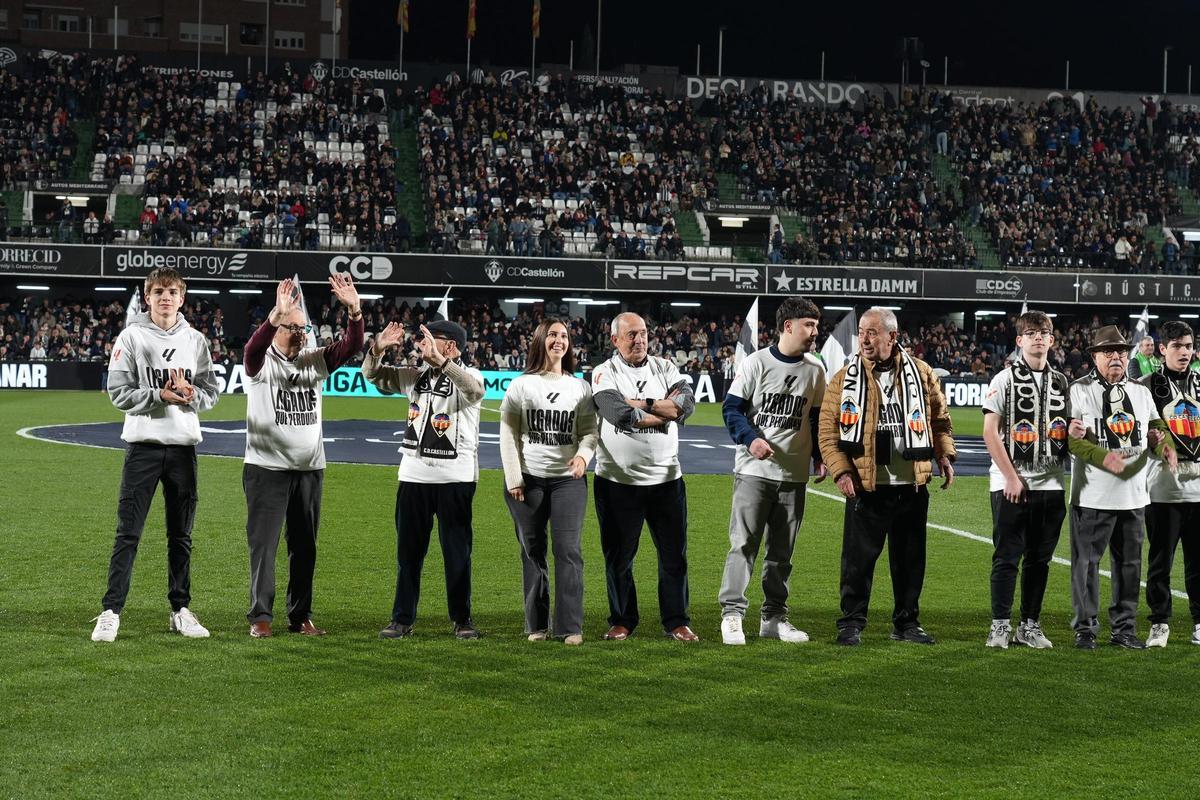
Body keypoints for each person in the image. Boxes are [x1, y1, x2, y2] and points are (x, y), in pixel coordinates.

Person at [90, 267, 220, 643]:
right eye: (159, 291)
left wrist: (191, 393)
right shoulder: (131, 336)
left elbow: (212, 393)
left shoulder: (195, 340)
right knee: (128, 533)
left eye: (172, 292)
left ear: (182, 298)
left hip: (183, 449)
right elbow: (118, 392)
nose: (166, 297)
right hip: (143, 447)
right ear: (147, 297)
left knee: (181, 536)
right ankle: (111, 612)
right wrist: (159, 395)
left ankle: (180, 610)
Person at [818, 307, 956, 647]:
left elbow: (940, 421)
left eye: (872, 332)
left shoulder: (921, 372)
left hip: (911, 485)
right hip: (867, 486)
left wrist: (944, 455)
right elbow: (827, 433)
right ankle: (851, 623)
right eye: (861, 332)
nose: (864, 339)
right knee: (857, 562)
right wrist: (841, 471)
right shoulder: (844, 378)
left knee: (910, 562)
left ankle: (907, 623)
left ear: (892, 336)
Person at [241, 275, 364, 638]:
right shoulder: (261, 362)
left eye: (303, 327)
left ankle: (300, 615)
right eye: (291, 327)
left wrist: (355, 311)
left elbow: (352, 346)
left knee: (305, 547)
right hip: (267, 468)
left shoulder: (315, 360)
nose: (299, 333)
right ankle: (261, 616)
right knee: (264, 546)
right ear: (277, 329)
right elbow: (251, 349)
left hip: (309, 469)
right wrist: (275, 316)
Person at [363, 317, 485, 640]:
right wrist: (377, 349)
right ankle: (402, 619)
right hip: (413, 476)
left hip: (455, 479)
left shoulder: (471, 375)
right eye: (421, 338)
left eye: (432, 338)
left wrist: (442, 362)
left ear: (452, 346)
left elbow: (474, 391)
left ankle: (462, 619)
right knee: (408, 554)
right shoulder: (414, 376)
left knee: (457, 554)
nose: (421, 343)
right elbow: (371, 375)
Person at [718, 296, 828, 646]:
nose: (815, 331)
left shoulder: (816, 370)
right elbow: (732, 410)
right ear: (788, 326)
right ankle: (732, 614)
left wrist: (820, 456)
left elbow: (816, 419)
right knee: (743, 545)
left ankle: (774, 618)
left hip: (794, 476)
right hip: (754, 471)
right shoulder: (757, 363)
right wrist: (751, 439)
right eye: (809, 325)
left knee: (782, 554)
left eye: (816, 325)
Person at [591, 312, 698, 642]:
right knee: (619, 559)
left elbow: (685, 406)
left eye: (643, 334)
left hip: (667, 480)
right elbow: (618, 414)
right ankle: (622, 620)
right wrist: (663, 412)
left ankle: (676, 620)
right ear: (615, 340)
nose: (639, 340)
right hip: (617, 482)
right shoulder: (603, 372)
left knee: (674, 556)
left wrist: (644, 403)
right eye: (631, 335)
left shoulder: (665, 367)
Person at [500, 318, 598, 645]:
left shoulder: (580, 387)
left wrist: (583, 457)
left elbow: (589, 432)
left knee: (568, 550)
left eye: (564, 335)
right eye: (553, 334)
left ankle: (570, 626)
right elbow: (508, 435)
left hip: (567, 481)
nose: (559, 340)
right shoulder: (521, 385)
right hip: (527, 480)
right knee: (533, 551)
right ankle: (537, 625)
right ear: (541, 339)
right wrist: (514, 478)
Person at [1066, 325, 1162, 650]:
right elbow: (1067, 440)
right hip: (1092, 494)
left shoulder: (1141, 392)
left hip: (1134, 494)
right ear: (1095, 357)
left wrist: (1159, 440)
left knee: (1130, 567)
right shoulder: (1078, 390)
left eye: (1121, 351)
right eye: (1108, 352)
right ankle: (1085, 629)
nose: (1116, 357)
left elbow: (1155, 426)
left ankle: (1124, 629)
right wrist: (1086, 446)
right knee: (1086, 565)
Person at [980, 311, 1071, 650]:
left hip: (1052, 485)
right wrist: (1010, 477)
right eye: (1031, 333)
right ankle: (1000, 625)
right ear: (1019, 340)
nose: (1038, 338)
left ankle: (1029, 625)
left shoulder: (1062, 382)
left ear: (1052, 340)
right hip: (1011, 484)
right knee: (1007, 557)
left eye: (1043, 333)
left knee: (1039, 560)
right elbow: (990, 432)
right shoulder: (1004, 379)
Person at [1139, 320, 1198, 647]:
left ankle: (1199, 622)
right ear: (1162, 349)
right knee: (1160, 562)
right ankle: (1159, 623)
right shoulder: (1145, 386)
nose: (1184, 352)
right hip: (1162, 488)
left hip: (1199, 490)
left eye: (1188, 346)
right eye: (1177, 346)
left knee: (1198, 564)